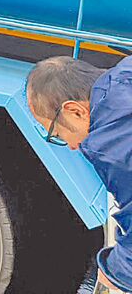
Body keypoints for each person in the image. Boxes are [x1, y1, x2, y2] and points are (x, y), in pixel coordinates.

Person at [27, 55, 132, 293]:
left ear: (75, 111)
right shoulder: (125, 70)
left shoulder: (111, 146)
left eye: (56, 134)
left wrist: (114, 273)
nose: (72, 146)